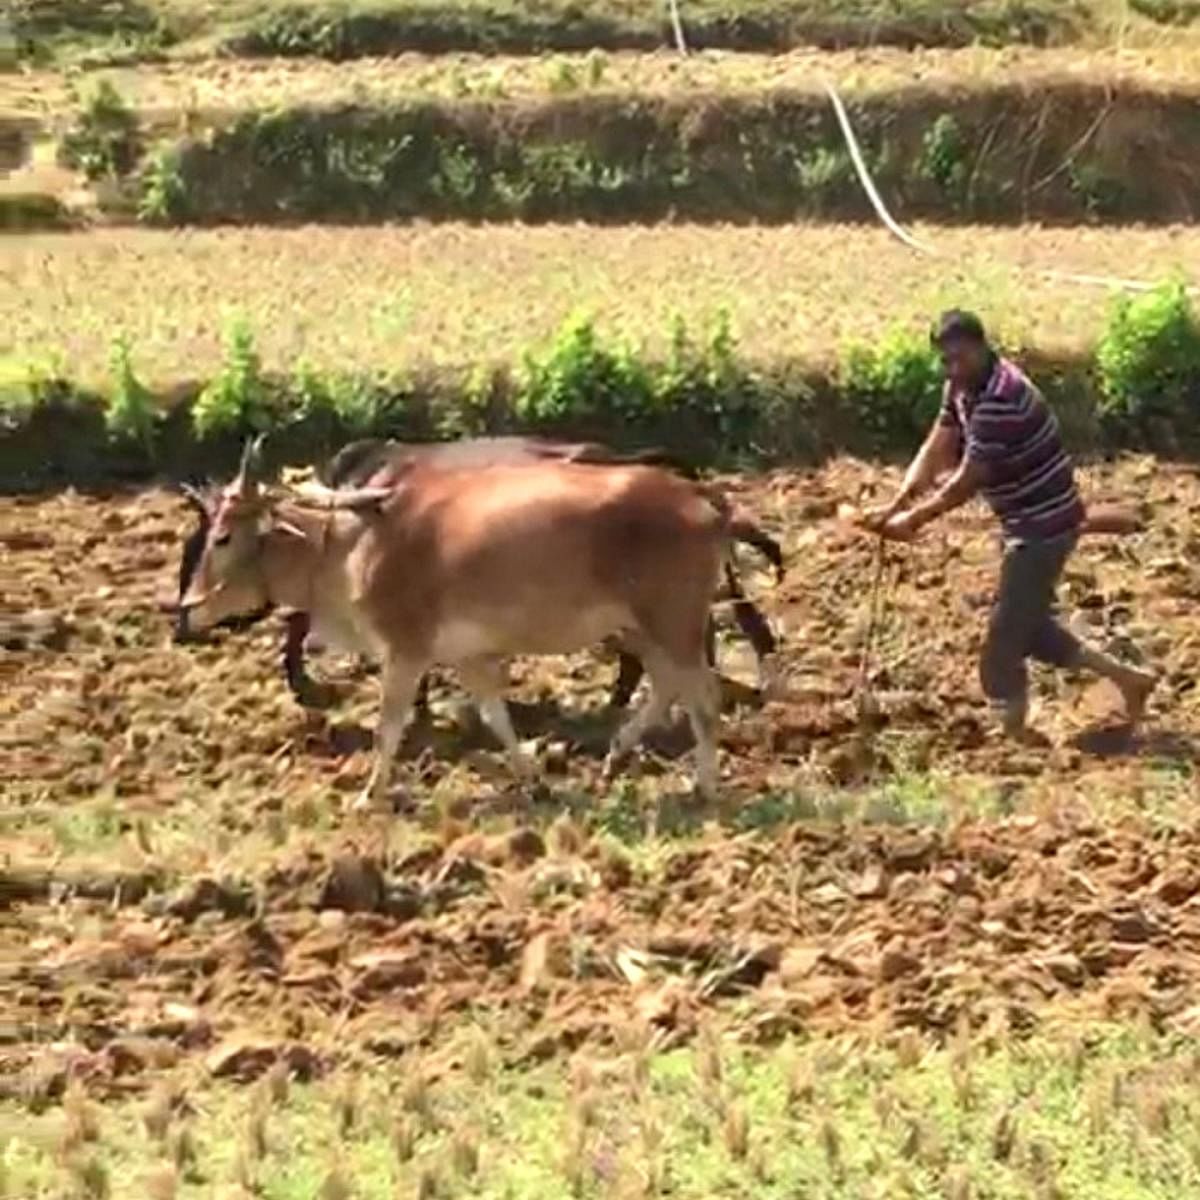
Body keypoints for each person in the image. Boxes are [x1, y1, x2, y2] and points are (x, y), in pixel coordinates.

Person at [867, 309, 1156, 742]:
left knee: (1001, 646)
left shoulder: (1001, 398)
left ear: (982, 347)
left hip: (1045, 526)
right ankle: (1129, 680)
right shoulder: (964, 387)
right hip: (1025, 521)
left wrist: (914, 520)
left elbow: (967, 479)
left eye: (960, 358)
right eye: (946, 360)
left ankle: (1013, 736)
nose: (953, 369)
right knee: (1031, 628)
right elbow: (938, 444)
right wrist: (897, 502)